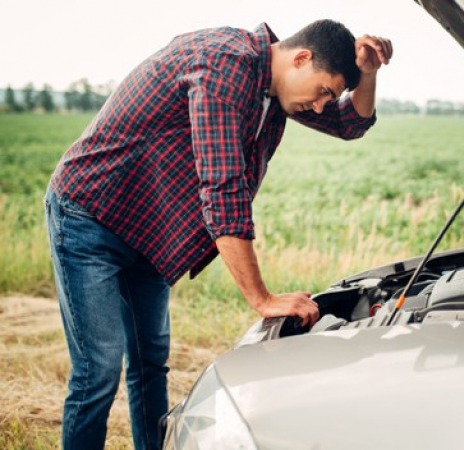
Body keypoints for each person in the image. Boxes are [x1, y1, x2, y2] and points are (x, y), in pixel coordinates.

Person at [44, 19, 392, 450]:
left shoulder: (276, 89)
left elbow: (349, 124)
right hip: (89, 213)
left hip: (148, 230)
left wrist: (368, 74)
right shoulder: (227, 63)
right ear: (300, 58)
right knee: (98, 369)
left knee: (150, 363)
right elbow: (222, 188)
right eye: (323, 92)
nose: (322, 106)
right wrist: (262, 299)